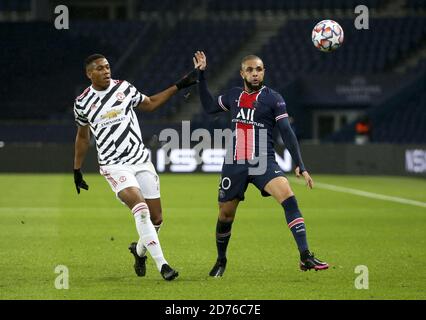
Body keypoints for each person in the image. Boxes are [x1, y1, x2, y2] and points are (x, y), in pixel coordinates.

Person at [194, 51, 329, 277]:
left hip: (262, 161)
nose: (255, 74)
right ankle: (221, 260)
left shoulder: (274, 98)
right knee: (226, 215)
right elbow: (209, 107)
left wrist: (300, 164)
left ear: (264, 71)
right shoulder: (233, 96)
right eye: (250, 70)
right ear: (242, 73)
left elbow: (286, 131)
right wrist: (201, 76)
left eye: (259, 69)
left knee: (289, 198)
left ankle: (305, 256)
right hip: (235, 163)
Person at [73, 53, 199, 281]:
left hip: (140, 160)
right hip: (113, 165)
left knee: (157, 218)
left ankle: (139, 252)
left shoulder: (124, 89)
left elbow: (150, 104)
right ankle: (164, 266)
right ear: (89, 73)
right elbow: (83, 136)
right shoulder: (82, 103)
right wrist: (77, 169)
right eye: (100, 68)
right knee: (140, 209)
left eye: (108, 67)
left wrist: (180, 85)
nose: (106, 71)